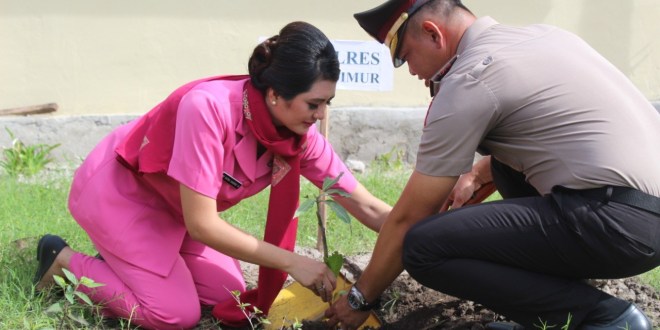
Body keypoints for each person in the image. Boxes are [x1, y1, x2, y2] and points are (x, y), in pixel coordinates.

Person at [33, 21, 392, 329]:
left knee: (228, 294)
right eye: (313, 104)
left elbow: (367, 206)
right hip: (120, 197)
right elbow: (203, 225)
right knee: (174, 314)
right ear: (274, 95)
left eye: (327, 103)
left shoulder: (297, 136)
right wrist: (293, 261)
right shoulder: (208, 109)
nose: (320, 115)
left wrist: (426, 233)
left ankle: (128, 266)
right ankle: (63, 262)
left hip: (175, 211)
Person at [325, 1, 660, 329]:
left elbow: (412, 216)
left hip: (615, 224)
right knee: (501, 167)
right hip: (641, 217)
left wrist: (360, 298)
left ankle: (601, 318)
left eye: (405, 56)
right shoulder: (546, 36)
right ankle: (550, 312)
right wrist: (477, 172)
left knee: (424, 247)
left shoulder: (470, 78)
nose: (412, 71)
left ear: (432, 33)